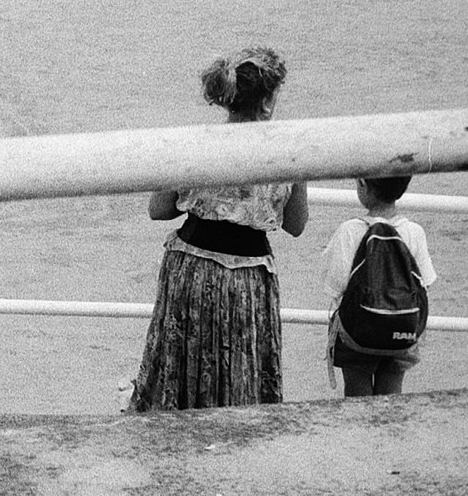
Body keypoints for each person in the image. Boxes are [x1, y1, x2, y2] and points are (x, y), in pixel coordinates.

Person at [128, 47, 308, 411]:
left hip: (191, 268)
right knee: (242, 369)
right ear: (268, 99)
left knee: (182, 363)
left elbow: (158, 209)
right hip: (248, 278)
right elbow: (296, 224)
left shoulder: (195, 144)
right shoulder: (288, 151)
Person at [322, 175, 437, 397]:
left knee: (357, 393)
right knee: (392, 393)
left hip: (357, 332)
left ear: (362, 184)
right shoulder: (414, 232)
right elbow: (425, 284)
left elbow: (335, 286)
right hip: (401, 329)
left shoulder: (349, 230)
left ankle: (362, 421)